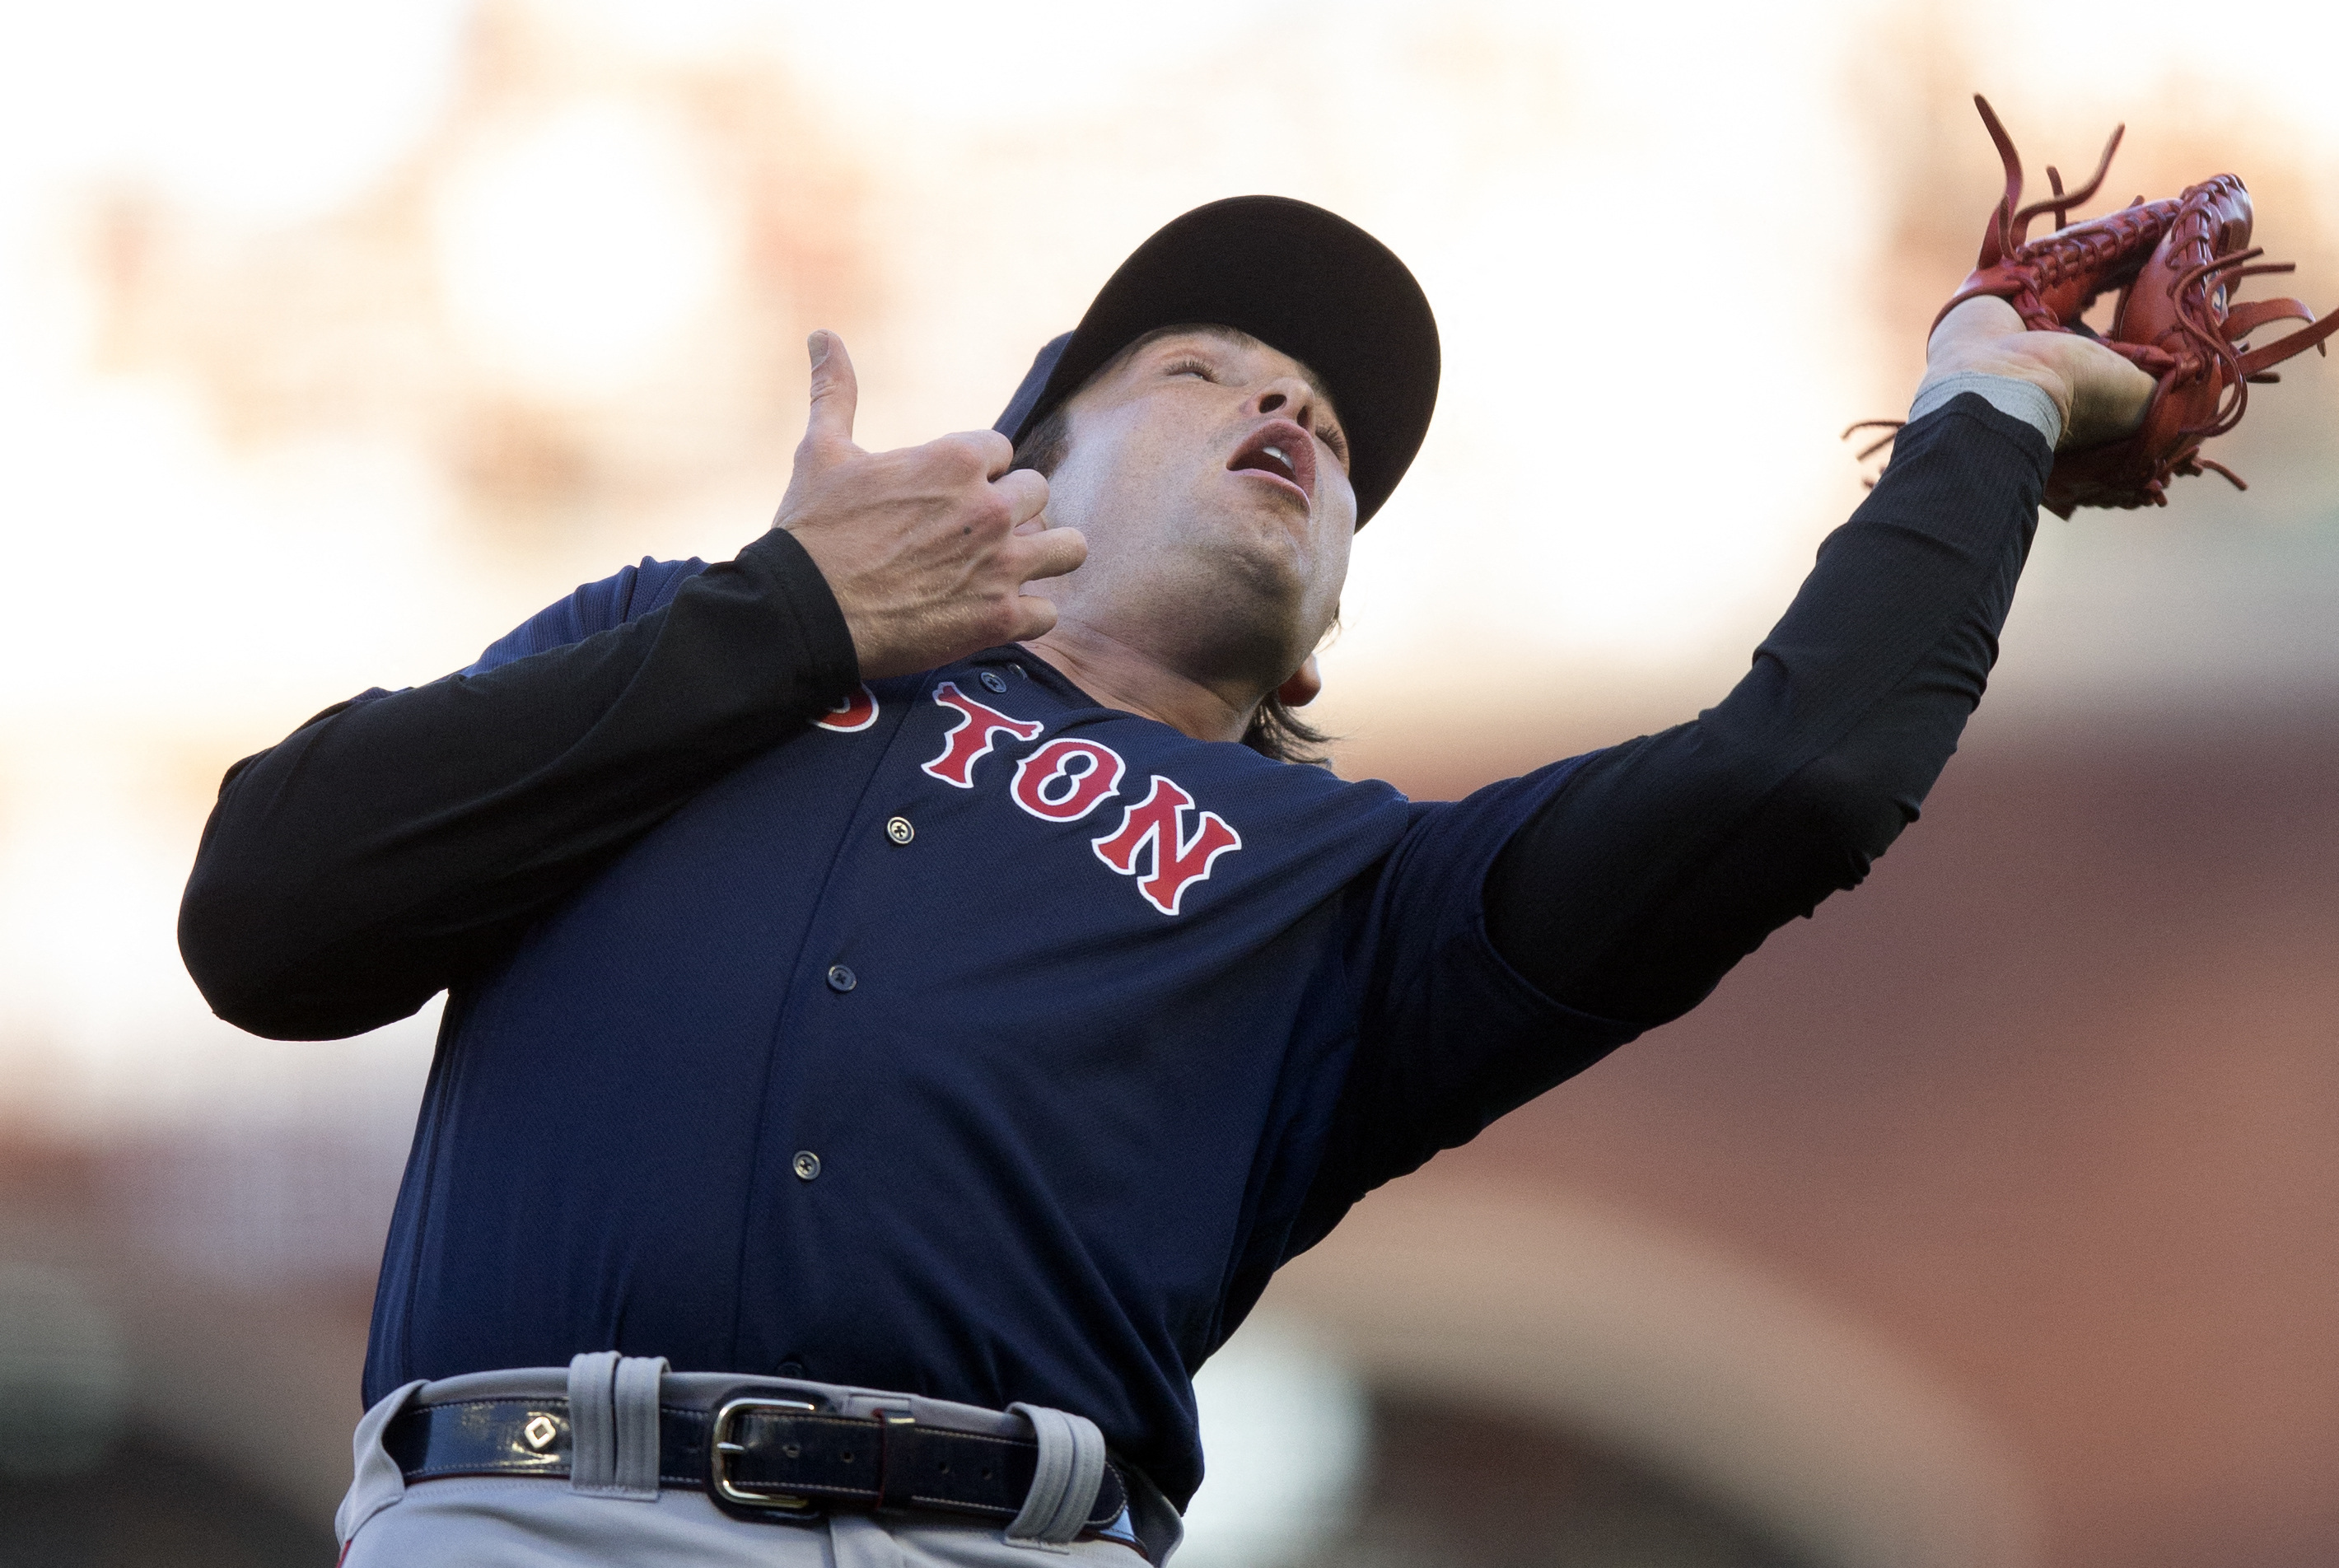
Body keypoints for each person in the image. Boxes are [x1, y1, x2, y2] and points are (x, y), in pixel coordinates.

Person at [179, 195, 2153, 1566]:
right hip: (534, 1510)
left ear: (1316, 645)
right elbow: (265, 916)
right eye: (1208, 368)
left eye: (1338, 437)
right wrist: (780, 616)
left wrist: (1983, 405)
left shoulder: (1354, 901)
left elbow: (1792, 778)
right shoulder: (681, 651)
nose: (1293, 409)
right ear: (1019, 477)